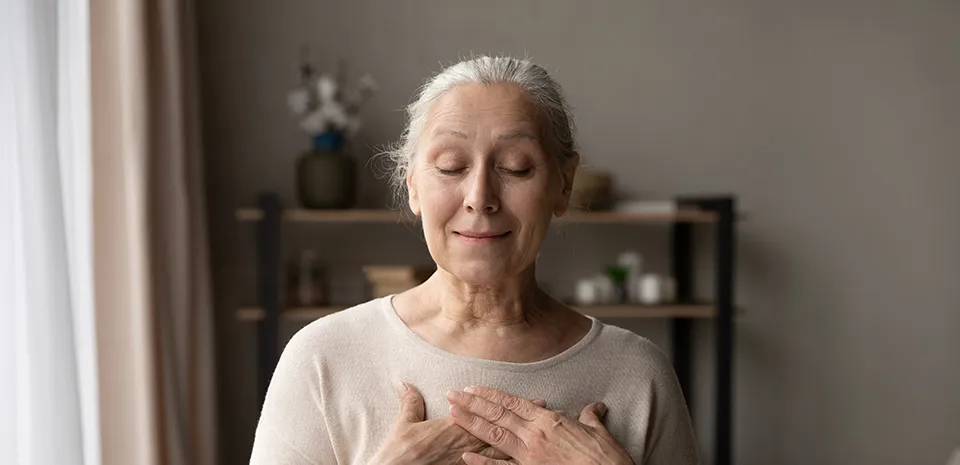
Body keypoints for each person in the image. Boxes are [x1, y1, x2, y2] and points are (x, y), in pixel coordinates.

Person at [250, 56, 698, 465]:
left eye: (517, 167)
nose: (480, 197)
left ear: (564, 184)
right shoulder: (323, 358)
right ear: (413, 185)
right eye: (450, 166)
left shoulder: (638, 373)